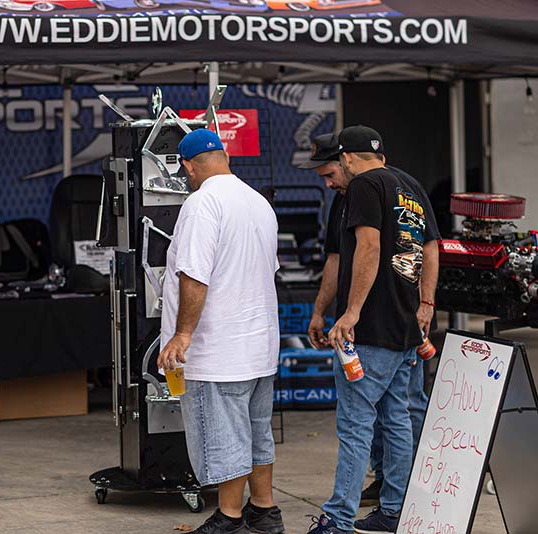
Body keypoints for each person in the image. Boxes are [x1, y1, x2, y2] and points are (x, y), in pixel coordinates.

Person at [306, 126, 436, 534]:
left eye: (332, 171)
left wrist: (351, 313)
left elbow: (370, 247)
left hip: (372, 328)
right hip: (404, 326)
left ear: (346, 157)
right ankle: (395, 510)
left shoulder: (364, 186)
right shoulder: (409, 185)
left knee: (356, 425)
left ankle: (339, 519)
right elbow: (431, 247)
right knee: (397, 418)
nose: (331, 181)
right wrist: (427, 304)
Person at [157, 129, 284, 534]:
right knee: (256, 431)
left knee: (224, 435)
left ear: (189, 166)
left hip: (220, 349)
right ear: (224, 157)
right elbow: (268, 270)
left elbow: (194, 274)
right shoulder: (259, 202)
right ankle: (264, 511)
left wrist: (182, 335)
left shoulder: (202, 202)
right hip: (259, 344)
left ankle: (229, 518)